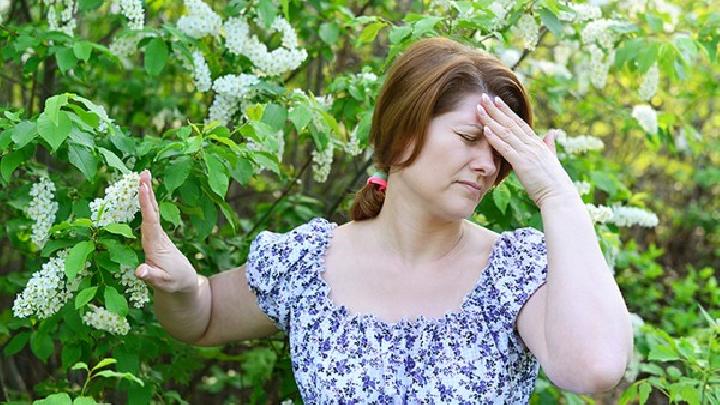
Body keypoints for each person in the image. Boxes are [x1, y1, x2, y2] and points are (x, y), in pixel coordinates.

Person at [135, 37, 633, 403]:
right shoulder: (307, 262)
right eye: (467, 138)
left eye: (500, 151)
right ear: (400, 135)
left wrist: (557, 195)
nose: (488, 165)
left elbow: (594, 369)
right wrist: (180, 287)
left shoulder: (514, 272)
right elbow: (200, 318)